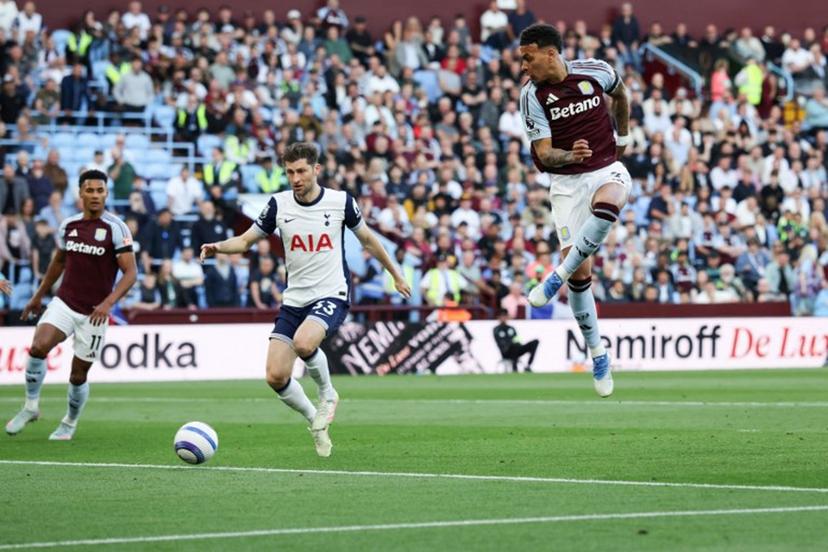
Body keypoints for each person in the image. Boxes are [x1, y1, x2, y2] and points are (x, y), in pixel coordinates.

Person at [199, 142, 411, 457]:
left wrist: (396, 274)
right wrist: (218, 246)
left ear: (316, 170)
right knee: (275, 375)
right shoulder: (278, 205)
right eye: (290, 172)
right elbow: (245, 241)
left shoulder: (341, 202)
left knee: (304, 343)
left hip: (331, 292)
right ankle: (315, 421)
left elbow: (368, 239)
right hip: (294, 299)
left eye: (301, 171)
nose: (296, 178)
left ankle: (327, 394)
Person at [519, 23, 632, 397]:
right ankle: (598, 352)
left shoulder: (595, 70)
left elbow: (623, 95)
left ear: (549, 53)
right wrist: (571, 154)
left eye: (528, 57)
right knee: (581, 279)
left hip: (605, 169)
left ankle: (554, 278)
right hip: (565, 184)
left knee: (609, 202)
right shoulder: (532, 95)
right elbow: (544, 153)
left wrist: (625, 136)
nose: (524, 66)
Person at [5, 170, 137, 440]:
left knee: (78, 376)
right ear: (80, 193)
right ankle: (31, 406)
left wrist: (108, 303)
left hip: (94, 314)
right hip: (65, 302)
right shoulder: (69, 225)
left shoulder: (116, 228)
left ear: (106, 194)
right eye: (90, 191)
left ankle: (69, 421)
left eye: (100, 191)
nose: (95, 196)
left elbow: (131, 273)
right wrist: (38, 296)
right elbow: (59, 262)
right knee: (38, 346)